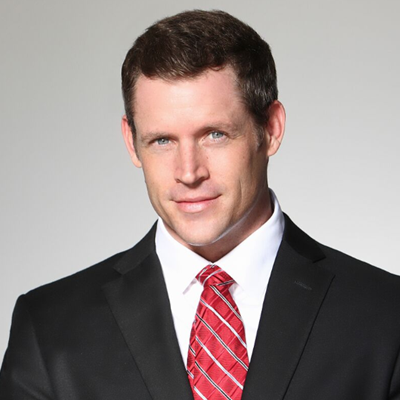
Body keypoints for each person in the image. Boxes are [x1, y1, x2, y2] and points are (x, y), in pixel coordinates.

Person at [1, 9, 399, 400]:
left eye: (215, 135)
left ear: (271, 129)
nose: (188, 172)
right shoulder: (49, 329)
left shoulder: (385, 316)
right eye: (162, 140)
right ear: (131, 142)